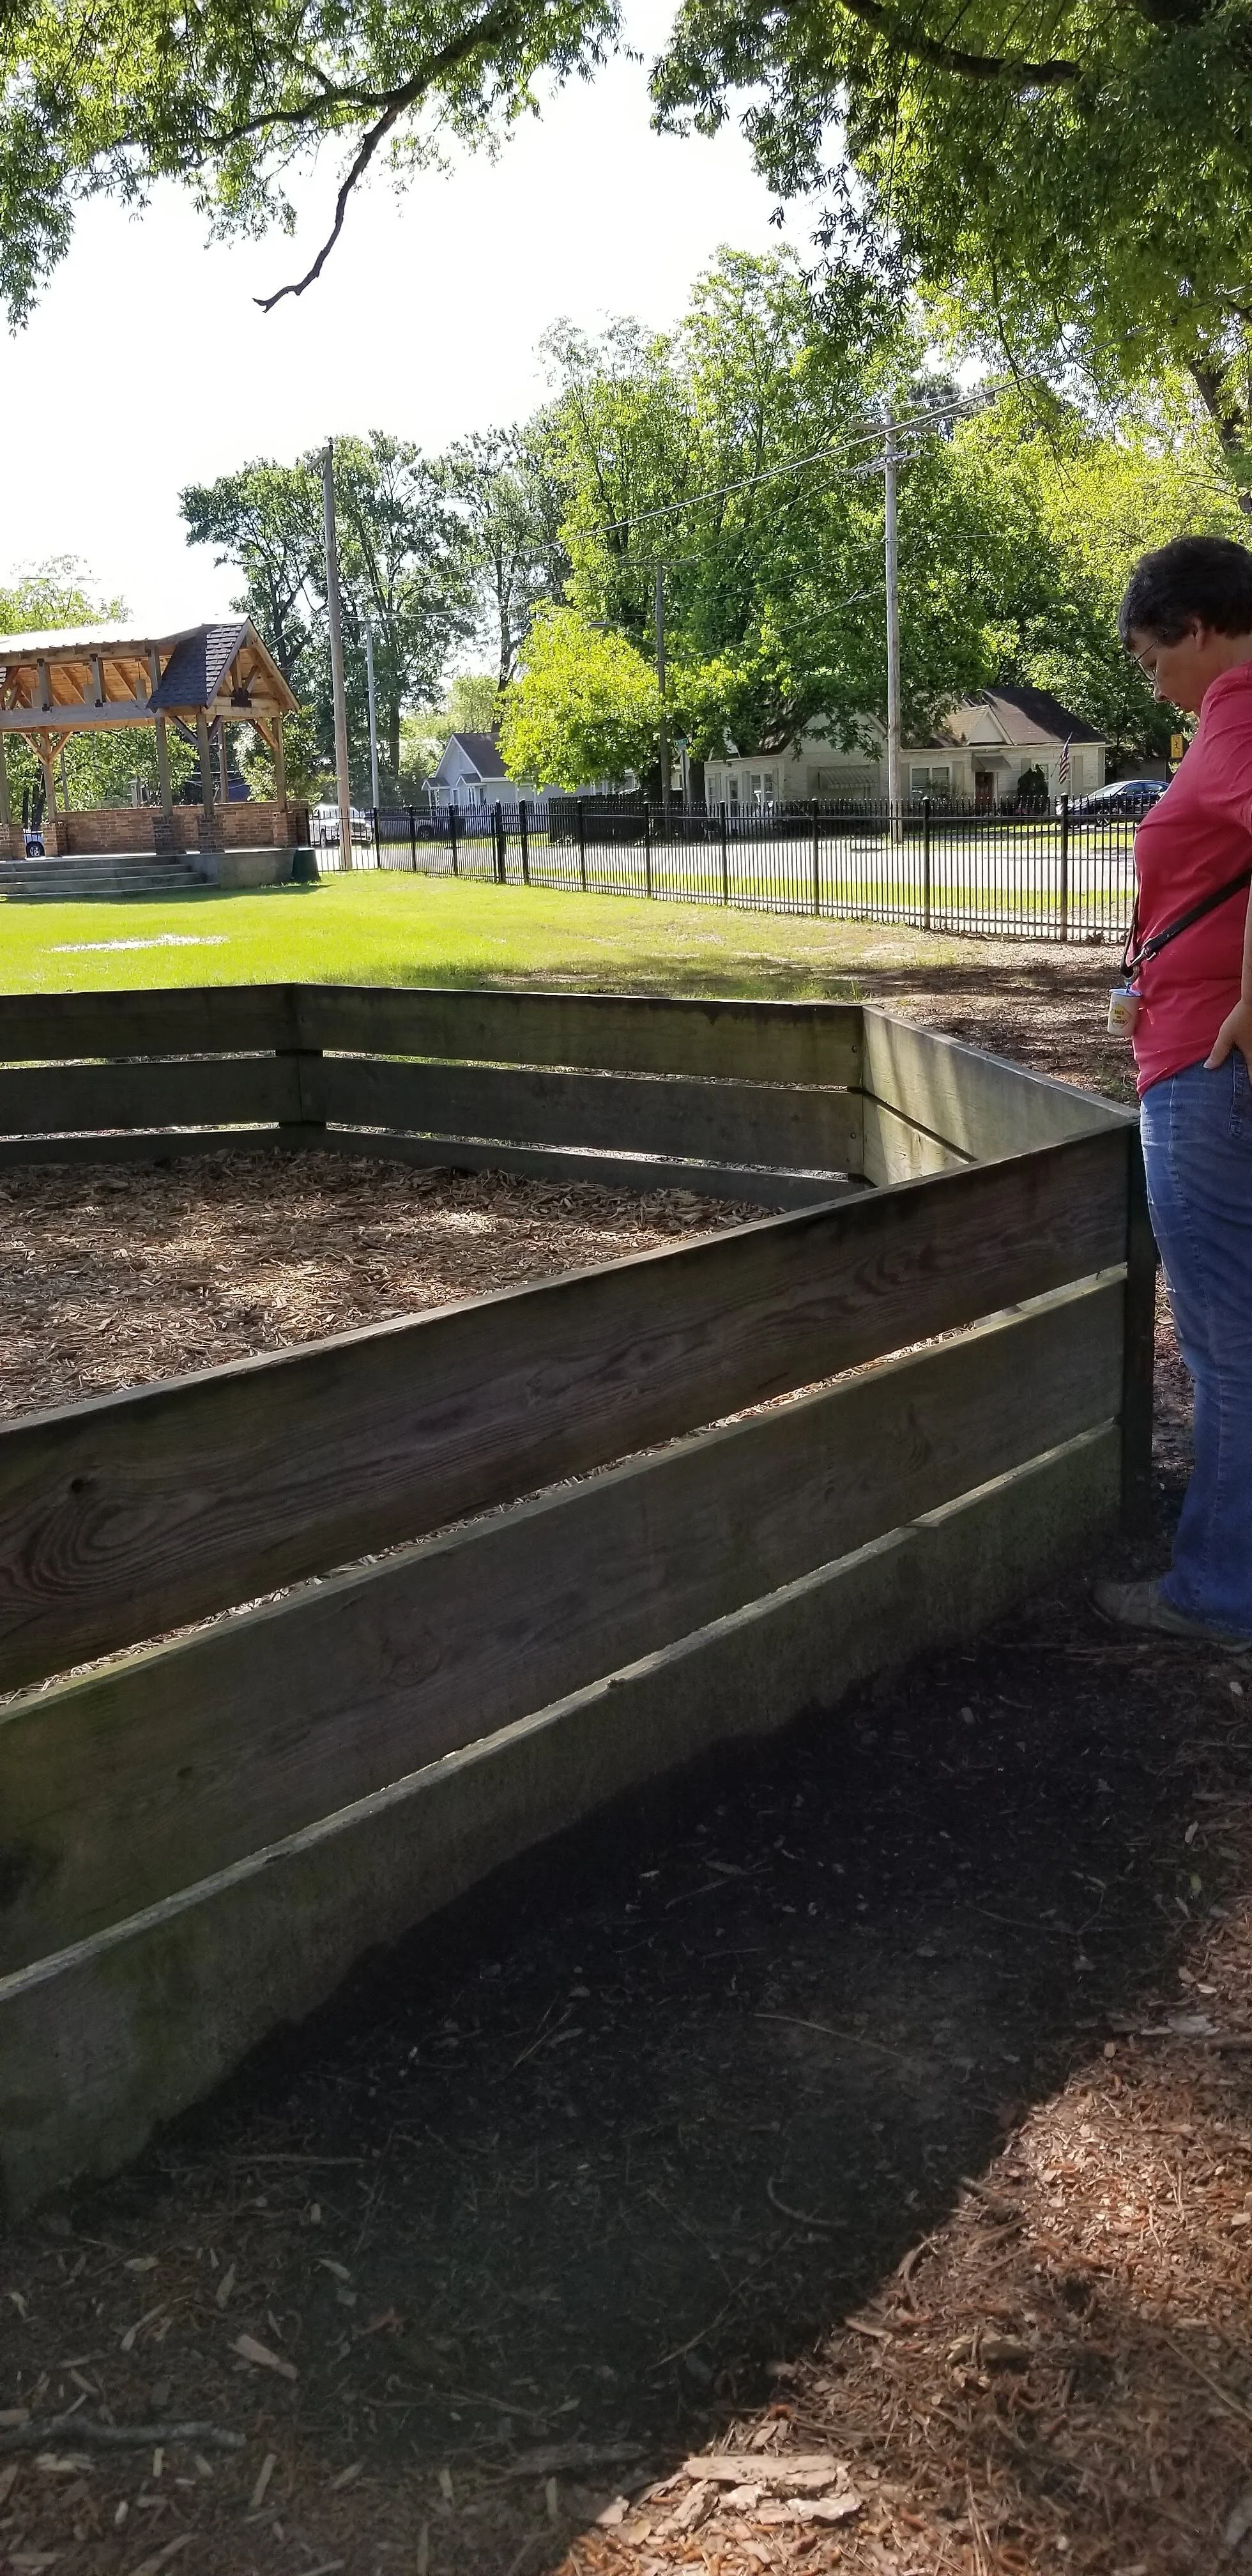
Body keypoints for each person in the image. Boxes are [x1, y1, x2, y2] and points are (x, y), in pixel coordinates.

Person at [1094, 534, 1252, 1649]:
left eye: (1155, 659)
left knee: (1225, 1346)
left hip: (1206, 1076)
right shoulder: (1224, 717)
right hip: (1198, 1047)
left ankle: (1219, 1591)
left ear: (1198, 628)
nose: (1155, 680)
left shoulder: (1241, 709)